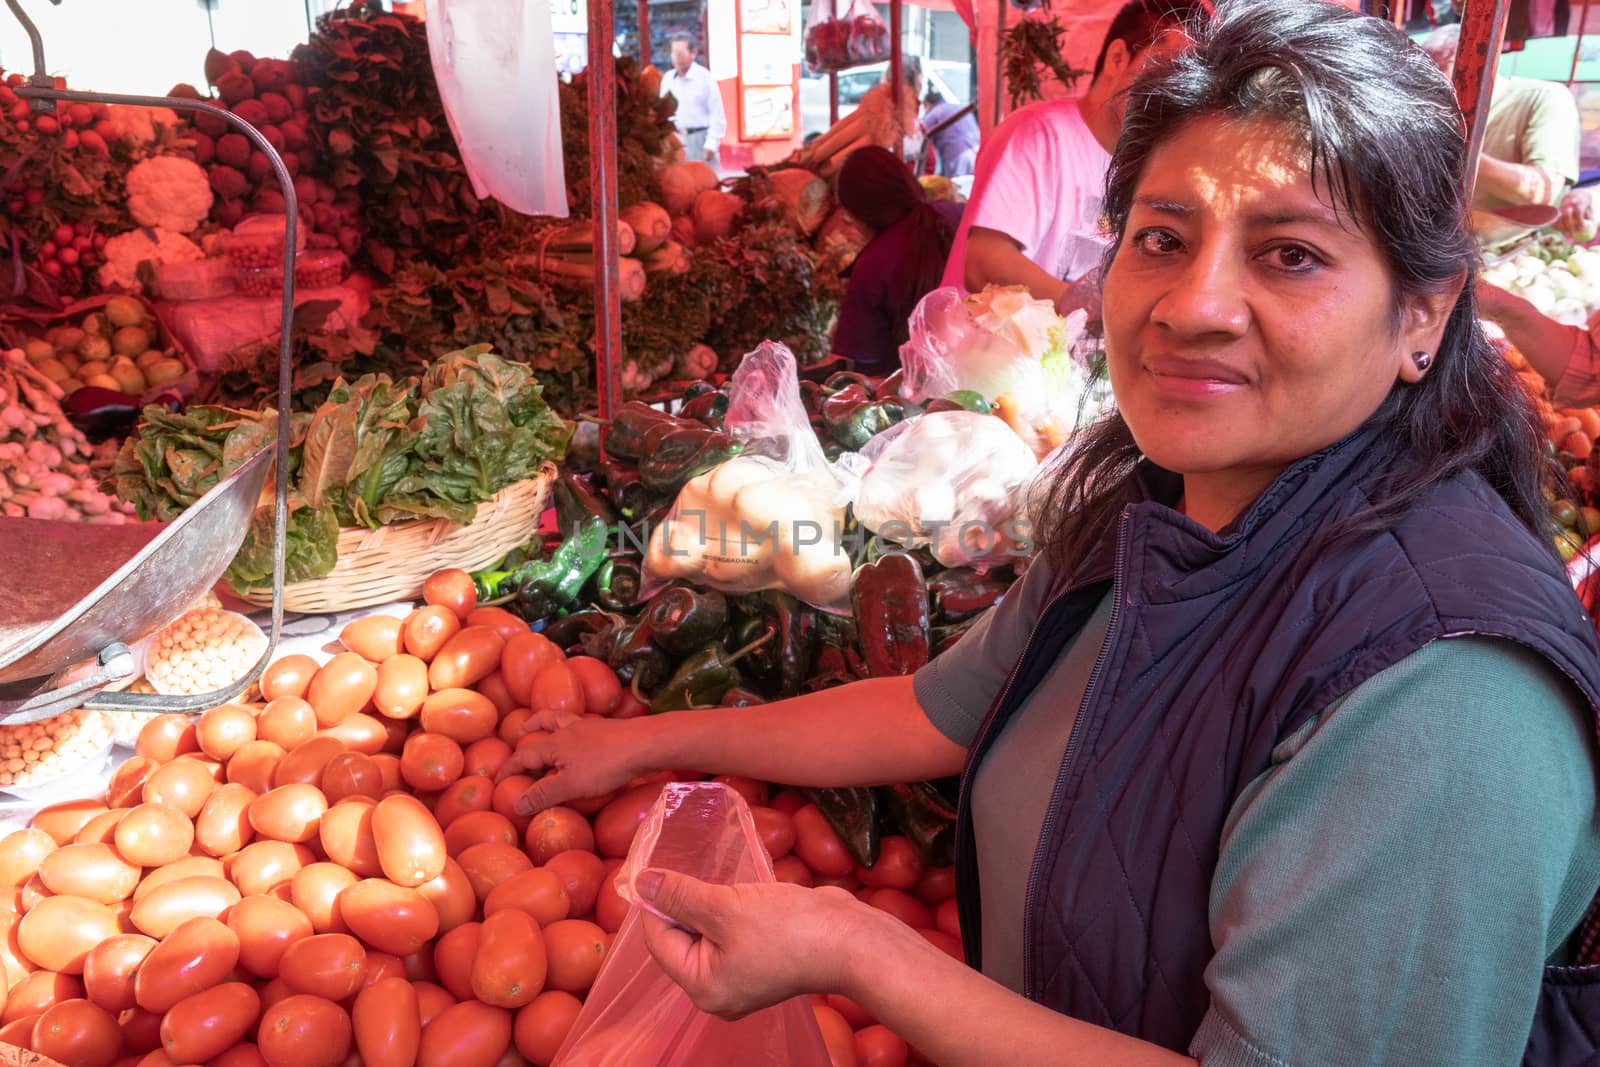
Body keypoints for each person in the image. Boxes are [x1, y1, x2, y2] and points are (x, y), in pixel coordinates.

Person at [501, 2, 1600, 1063]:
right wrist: (647, 740)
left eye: (1290, 255)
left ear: (1423, 311)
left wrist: (861, 948)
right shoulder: (1151, 509)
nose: (1191, 305)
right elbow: (929, 711)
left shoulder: (1445, 692)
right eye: (1162, 238)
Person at [941, 0, 1212, 317]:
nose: (1174, 93)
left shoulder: (1145, 164)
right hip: (979, 357)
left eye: (1188, 81)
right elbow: (984, 262)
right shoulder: (1039, 135)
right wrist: (1082, 305)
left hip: (1059, 363)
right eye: (1166, 67)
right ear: (1117, 58)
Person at [1420, 23, 1581, 246]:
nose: (1432, 89)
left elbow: (1541, 192)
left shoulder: (1545, 98)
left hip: (1523, 251)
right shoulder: (1437, 110)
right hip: (1448, 247)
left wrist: (1458, 152)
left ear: (1474, 66)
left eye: (1439, 75)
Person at [829, 146, 963, 375]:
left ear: (861, 215)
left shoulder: (872, 264)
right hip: (998, 383)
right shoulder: (963, 216)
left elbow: (859, 367)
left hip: (913, 399)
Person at [660, 34, 725, 167]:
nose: (677, 57)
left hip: (700, 139)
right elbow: (662, 112)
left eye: (681, 53)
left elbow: (717, 115)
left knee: (705, 184)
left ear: (693, 53)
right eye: (674, 53)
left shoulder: (705, 78)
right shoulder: (667, 79)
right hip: (675, 141)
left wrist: (711, 144)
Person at [922, 88, 980, 178]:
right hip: (977, 154)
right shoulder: (960, 107)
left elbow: (921, 141)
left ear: (927, 104)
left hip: (958, 160)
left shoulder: (932, 115)